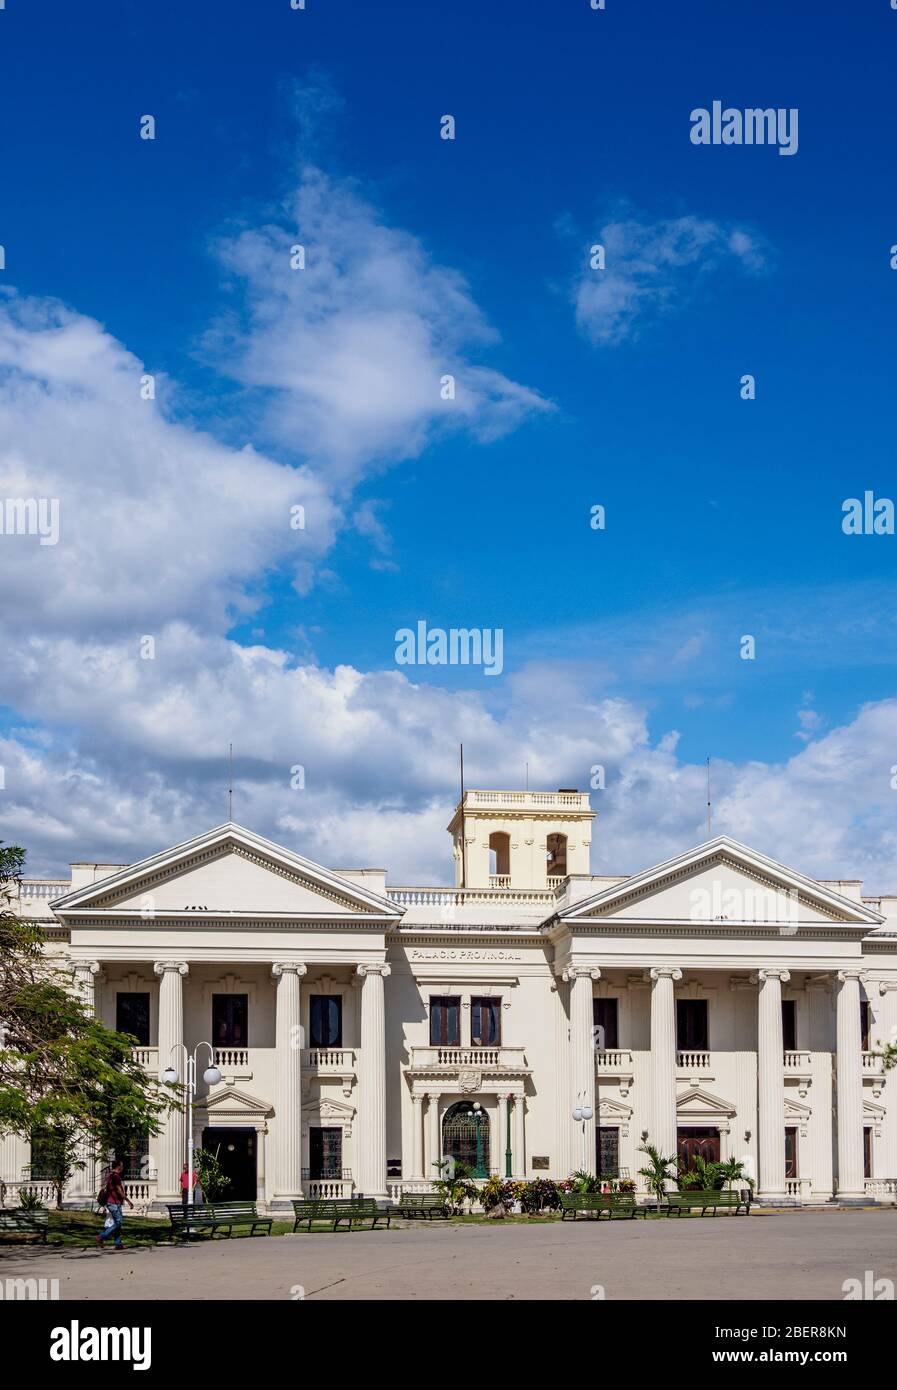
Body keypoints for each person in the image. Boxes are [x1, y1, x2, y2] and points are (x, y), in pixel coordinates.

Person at [96, 1159, 133, 1251]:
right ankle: (102, 1236)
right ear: (118, 1167)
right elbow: (119, 1190)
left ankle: (118, 1243)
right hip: (114, 1203)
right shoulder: (115, 1177)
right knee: (118, 1222)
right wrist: (128, 1200)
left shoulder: (110, 1176)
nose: (123, 1167)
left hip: (113, 1202)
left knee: (118, 1224)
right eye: (122, 1165)